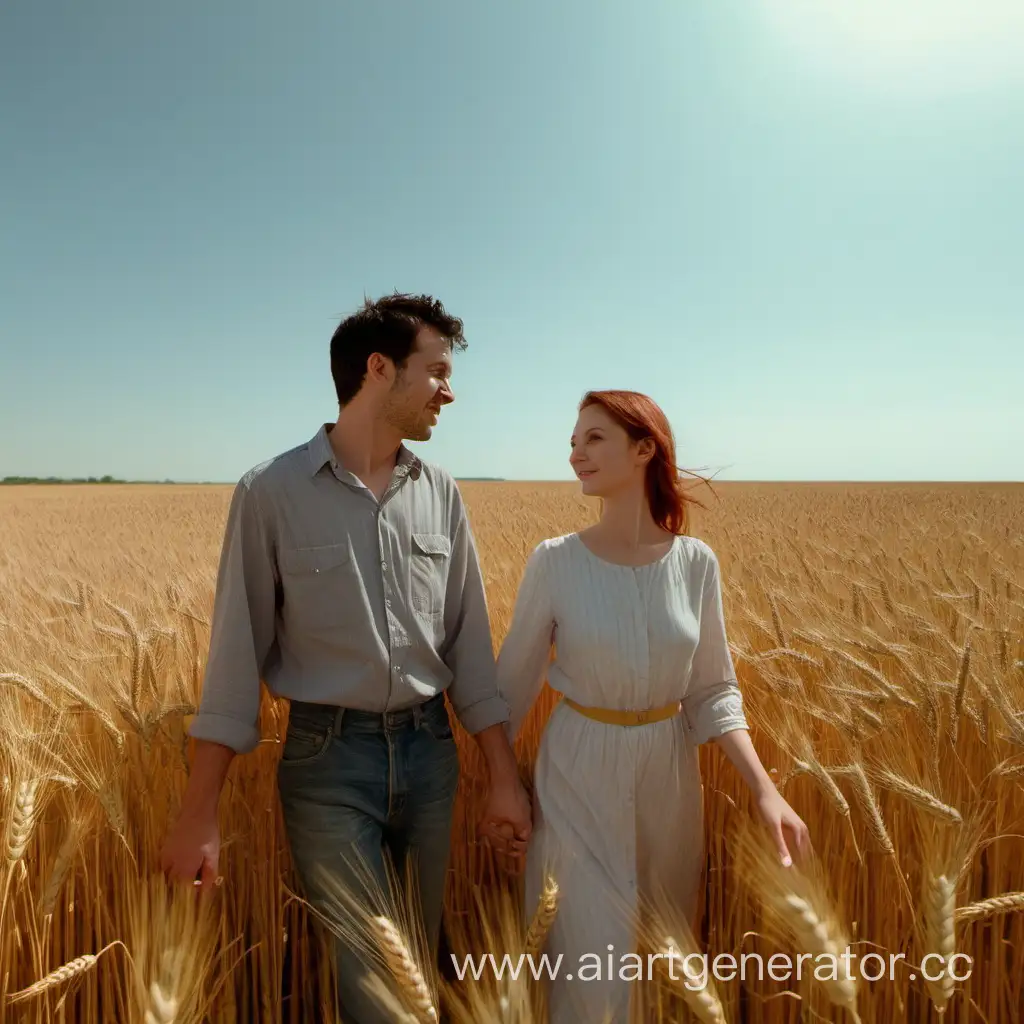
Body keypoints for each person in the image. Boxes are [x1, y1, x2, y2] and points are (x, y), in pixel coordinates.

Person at [159, 293, 532, 1024]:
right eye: (437, 372)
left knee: (416, 962)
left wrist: (503, 779)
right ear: (378, 368)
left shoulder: (443, 494)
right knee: (373, 987)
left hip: (431, 754)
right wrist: (198, 812)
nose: (449, 393)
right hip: (328, 762)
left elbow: (469, 648)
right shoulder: (270, 492)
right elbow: (235, 658)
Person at [495, 389, 810, 1023]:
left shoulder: (696, 563)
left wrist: (764, 788)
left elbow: (714, 688)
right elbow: (508, 693)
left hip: (670, 777)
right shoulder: (555, 562)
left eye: (594, 438)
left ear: (645, 449)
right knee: (591, 971)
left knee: (663, 965)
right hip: (578, 769)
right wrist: (500, 789)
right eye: (574, 440)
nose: (575, 452)